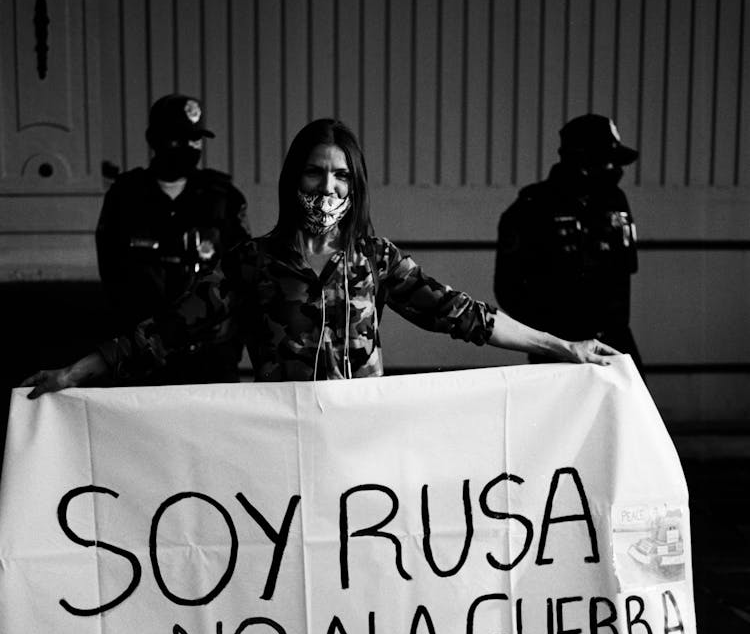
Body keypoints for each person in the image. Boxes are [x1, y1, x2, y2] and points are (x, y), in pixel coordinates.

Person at [22, 118, 617, 397]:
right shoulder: (249, 263)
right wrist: (74, 374)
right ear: (292, 181)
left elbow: (464, 315)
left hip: (361, 456)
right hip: (279, 448)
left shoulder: (374, 261)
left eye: (339, 176)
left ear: (354, 187)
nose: (326, 188)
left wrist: (564, 347)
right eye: (314, 172)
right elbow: (164, 332)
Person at [95, 93, 252, 383]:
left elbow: (242, 273)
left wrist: (233, 340)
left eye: (196, 139)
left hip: (210, 356)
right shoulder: (125, 196)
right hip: (143, 353)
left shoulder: (223, 198)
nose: (191, 146)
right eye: (180, 138)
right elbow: (112, 276)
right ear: (154, 139)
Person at [494, 113, 643, 372]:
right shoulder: (532, 207)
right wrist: (550, 338)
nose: (615, 170)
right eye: (608, 161)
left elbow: (623, 270)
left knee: (633, 409)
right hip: (561, 347)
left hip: (615, 340)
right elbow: (508, 289)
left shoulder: (615, 201)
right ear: (585, 160)